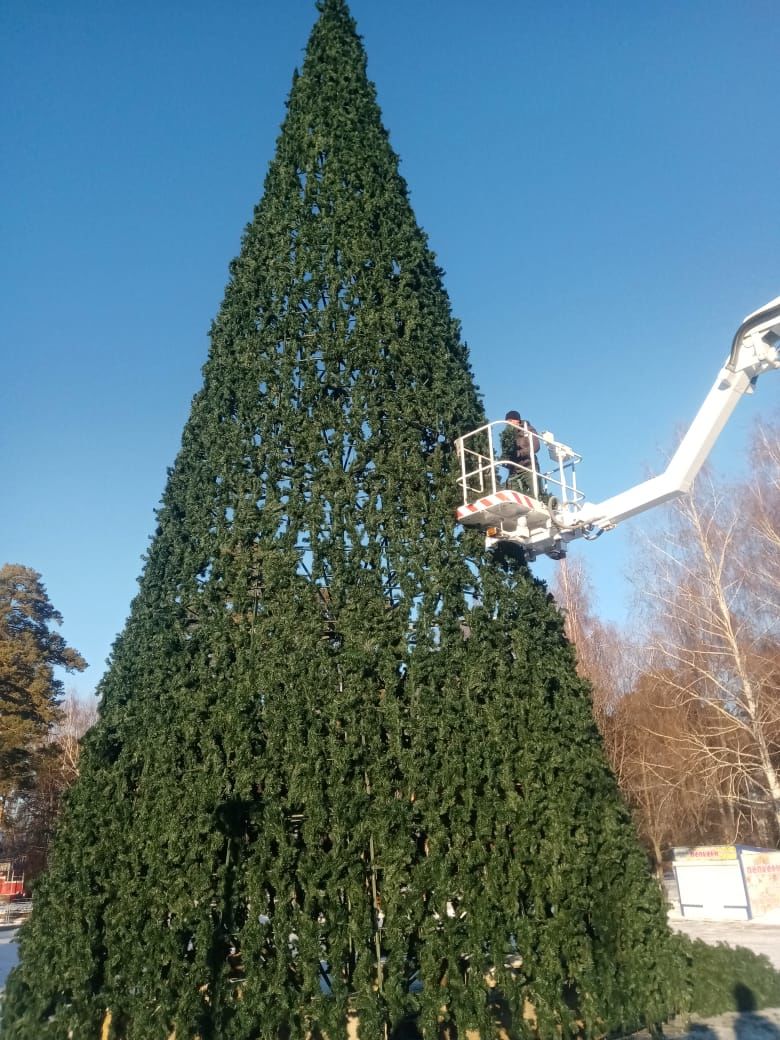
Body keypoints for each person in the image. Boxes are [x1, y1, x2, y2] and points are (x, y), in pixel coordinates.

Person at [500, 410, 542, 496]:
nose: (508, 423)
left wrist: (520, 453)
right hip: (515, 471)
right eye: (506, 422)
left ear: (517, 420)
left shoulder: (528, 429)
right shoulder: (508, 436)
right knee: (513, 494)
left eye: (510, 421)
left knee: (536, 494)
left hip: (529, 467)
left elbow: (535, 446)